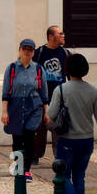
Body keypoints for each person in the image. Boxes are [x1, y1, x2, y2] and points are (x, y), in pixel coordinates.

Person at [47, 52, 97, 194]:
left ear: (67, 70)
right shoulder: (93, 91)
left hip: (67, 140)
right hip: (86, 141)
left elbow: (51, 115)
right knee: (79, 176)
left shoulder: (61, 89)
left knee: (62, 174)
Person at [1, 39, 49, 181]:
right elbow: (6, 92)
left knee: (29, 137)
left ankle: (26, 169)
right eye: (24, 49)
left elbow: (44, 93)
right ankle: (18, 166)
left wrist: (46, 112)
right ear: (20, 50)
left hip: (34, 107)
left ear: (33, 52)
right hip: (15, 106)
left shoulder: (39, 69)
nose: (27, 52)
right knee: (17, 139)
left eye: (30, 50)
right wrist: (4, 111)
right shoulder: (12, 69)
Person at [33, 25, 70, 159]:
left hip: (59, 99)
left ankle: (59, 157)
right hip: (41, 99)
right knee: (39, 130)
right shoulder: (39, 53)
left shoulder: (66, 54)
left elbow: (71, 77)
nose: (63, 36)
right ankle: (35, 155)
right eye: (60, 33)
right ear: (50, 36)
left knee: (58, 130)